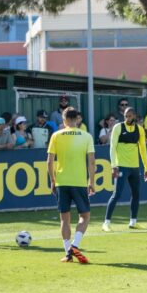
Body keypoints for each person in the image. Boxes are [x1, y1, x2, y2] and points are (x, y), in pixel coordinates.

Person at [47, 108, 95, 264]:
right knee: (85, 216)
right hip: (79, 182)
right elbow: (91, 161)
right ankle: (75, 245)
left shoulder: (56, 135)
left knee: (64, 219)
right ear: (77, 119)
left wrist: (53, 180)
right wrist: (91, 182)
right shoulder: (86, 136)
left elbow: (49, 161)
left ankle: (68, 253)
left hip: (62, 182)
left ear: (64, 119)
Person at [102, 107, 147, 231]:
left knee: (136, 194)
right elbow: (112, 147)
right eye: (125, 116)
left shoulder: (140, 130)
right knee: (117, 194)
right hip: (121, 166)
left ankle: (133, 222)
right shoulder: (118, 127)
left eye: (129, 116)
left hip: (135, 167)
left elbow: (143, 149)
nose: (127, 118)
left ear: (134, 116)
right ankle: (106, 223)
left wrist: (146, 167)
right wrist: (114, 166)